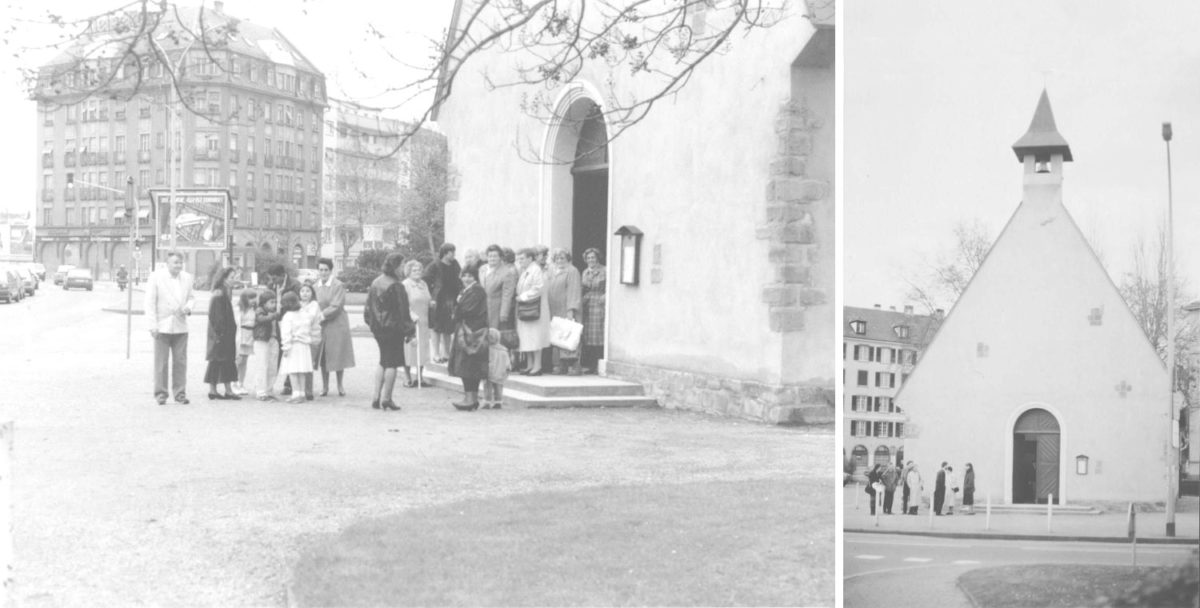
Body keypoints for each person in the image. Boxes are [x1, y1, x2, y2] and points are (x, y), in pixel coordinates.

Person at [365, 252, 415, 411]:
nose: (403, 269)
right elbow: (403, 311)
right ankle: (387, 397)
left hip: (379, 328)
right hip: (393, 329)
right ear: (396, 266)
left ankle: (376, 396)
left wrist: (372, 324)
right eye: (402, 265)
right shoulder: (396, 285)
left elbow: (367, 308)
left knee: (382, 361)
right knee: (392, 363)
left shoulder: (376, 282)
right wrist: (410, 332)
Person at [145, 251, 195, 405]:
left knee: (180, 362)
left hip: (180, 326)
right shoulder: (156, 277)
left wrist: (188, 307)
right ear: (167, 263)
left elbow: (192, 297)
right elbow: (150, 302)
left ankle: (180, 393)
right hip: (162, 326)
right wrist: (152, 325)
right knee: (161, 362)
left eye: (180, 262)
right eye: (175, 262)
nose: (178, 265)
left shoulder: (187, 278)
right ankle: (161, 394)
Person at [448, 266, 489, 410]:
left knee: (470, 365)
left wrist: (456, 307)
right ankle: (469, 397)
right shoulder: (466, 290)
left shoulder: (476, 291)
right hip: (466, 331)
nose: (466, 278)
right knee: (466, 365)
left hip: (472, 332)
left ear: (475, 277)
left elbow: (466, 311)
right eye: (464, 275)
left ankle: (471, 399)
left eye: (470, 276)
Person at [314, 258, 355, 396]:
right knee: (323, 356)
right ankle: (325, 387)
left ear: (331, 271)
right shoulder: (315, 286)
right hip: (322, 325)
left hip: (337, 323)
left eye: (326, 270)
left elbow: (337, 306)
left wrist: (321, 315)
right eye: (321, 270)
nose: (323, 272)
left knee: (338, 354)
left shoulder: (338, 285)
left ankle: (340, 385)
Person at [204, 266, 241, 400]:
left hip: (225, 332)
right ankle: (221, 390)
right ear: (224, 278)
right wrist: (221, 332)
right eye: (232, 277)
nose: (234, 280)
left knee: (225, 361)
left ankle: (222, 389)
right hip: (221, 333)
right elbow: (216, 315)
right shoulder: (220, 293)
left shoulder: (225, 291)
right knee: (219, 361)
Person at [265, 264, 301, 396]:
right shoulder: (271, 285)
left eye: (274, 278)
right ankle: (269, 386)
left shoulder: (295, 285)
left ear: (282, 275)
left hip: (289, 322)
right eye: (271, 279)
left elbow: (299, 304)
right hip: (275, 323)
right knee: (275, 354)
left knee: (289, 353)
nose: (272, 281)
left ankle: (289, 385)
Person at [514, 247, 550, 375]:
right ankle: (529, 365)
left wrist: (523, 297)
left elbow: (538, 288)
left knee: (535, 337)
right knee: (526, 338)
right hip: (525, 308)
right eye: (518, 259)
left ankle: (537, 366)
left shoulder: (536, 270)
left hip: (534, 308)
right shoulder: (525, 271)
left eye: (522, 258)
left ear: (530, 258)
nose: (520, 261)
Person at [546, 248, 582, 375]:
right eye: (557, 258)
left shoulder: (572, 271)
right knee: (557, 336)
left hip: (566, 308)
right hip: (554, 309)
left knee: (569, 335)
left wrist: (571, 310)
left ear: (567, 259)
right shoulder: (552, 271)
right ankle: (559, 365)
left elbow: (574, 290)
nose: (559, 260)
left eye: (562, 258)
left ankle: (573, 365)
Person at [424, 243, 462, 364]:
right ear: (445, 253)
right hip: (438, 300)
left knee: (448, 327)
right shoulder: (435, 265)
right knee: (436, 327)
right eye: (452, 252)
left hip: (452, 299)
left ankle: (447, 353)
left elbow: (459, 280)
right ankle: (436, 353)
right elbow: (426, 280)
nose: (454, 255)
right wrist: (431, 296)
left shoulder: (455, 264)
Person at [277, 292, 314, 405]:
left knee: (292, 370)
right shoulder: (305, 314)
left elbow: (286, 333)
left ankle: (295, 393)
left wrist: (286, 347)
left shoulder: (288, 316)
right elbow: (309, 328)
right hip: (304, 346)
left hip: (293, 346)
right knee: (302, 370)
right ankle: (302, 393)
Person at [401, 260, 432, 388]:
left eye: (419, 270)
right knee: (409, 349)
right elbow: (402, 304)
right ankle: (407, 377)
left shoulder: (423, 284)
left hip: (423, 320)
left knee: (422, 348)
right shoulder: (405, 285)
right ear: (408, 272)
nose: (417, 272)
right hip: (410, 320)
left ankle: (420, 376)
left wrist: (432, 304)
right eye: (414, 270)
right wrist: (411, 315)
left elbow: (427, 299)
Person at [247, 289, 280, 401]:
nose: (274, 304)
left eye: (274, 302)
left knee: (272, 366)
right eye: (271, 302)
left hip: (273, 339)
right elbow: (261, 319)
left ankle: (269, 389)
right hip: (262, 340)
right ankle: (261, 391)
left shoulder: (274, 312)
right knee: (262, 365)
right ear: (264, 303)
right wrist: (273, 316)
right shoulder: (259, 310)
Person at [480, 244, 516, 339]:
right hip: (482, 309)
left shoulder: (507, 272)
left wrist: (504, 313)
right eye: (490, 256)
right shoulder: (482, 269)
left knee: (494, 336)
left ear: (500, 257)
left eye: (495, 256)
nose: (492, 258)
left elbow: (507, 295)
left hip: (496, 309)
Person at [579, 248, 606, 374]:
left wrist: (605, 295)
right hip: (587, 304)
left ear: (598, 258)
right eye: (588, 258)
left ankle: (598, 364)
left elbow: (610, 286)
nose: (591, 260)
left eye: (593, 257)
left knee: (598, 335)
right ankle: (590, 364)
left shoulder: (604, 270)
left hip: (599, 303)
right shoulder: (585, 272)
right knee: (588, 335)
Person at [297, 282, 324, 401]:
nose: (305, 293)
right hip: (300, 338)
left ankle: (308, 390)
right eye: (302, 291)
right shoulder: (297, 304)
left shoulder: (314, 305)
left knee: (309, 364)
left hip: (312, 339)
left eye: (308, 291)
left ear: (312, 293)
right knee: (299, 364)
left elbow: (310, 318)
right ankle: (299, 389)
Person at [233, 288, 258, 395]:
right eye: (250, 298)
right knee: (238, 360)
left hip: (250, 336)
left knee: (244, 362)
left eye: (254, 298)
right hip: (240, 335)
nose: (252, 300)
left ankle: (241, 383)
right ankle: (234, 383)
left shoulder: (255, 309)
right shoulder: (239, 309)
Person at [483, 328, 509, 409]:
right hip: (501, 372)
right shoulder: (504, 350)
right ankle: (498, 402)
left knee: (488, 387)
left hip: (490, 372)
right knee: (499, 388)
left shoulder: (488, 350)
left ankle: (487, 402)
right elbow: (507, 363)